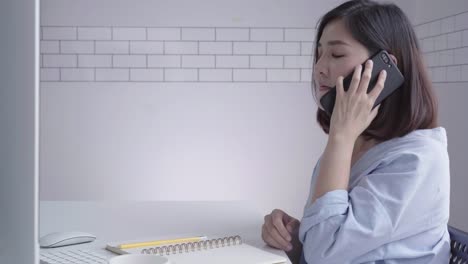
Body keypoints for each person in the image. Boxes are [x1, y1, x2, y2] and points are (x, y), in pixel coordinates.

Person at [261, 0, 451, 263]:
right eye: (319, 54)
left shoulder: (419, 160)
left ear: (384, 70)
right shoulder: (356, 142)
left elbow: (323, 254)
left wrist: (341, 137)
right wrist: (293, 238)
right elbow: (323, 246)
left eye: (336, 55)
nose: (319, 68)